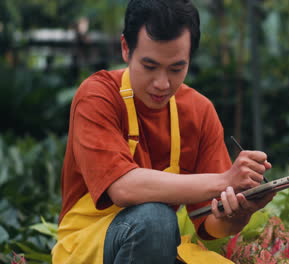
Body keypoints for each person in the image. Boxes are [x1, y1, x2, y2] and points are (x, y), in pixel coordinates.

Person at [52, 1, 275, 263]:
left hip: (155, 246)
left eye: (176, 69)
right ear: (126, 48)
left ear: (190, 58)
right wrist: (225, 180)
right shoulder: (97, 96)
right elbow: (123, 189)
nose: (162, 83)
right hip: (89, 246)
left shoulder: (199, 111)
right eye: (149, 66)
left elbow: (211, 226)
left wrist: (239, 212)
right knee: (155, 220)